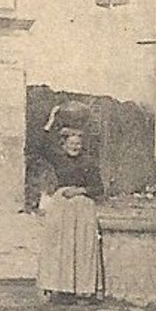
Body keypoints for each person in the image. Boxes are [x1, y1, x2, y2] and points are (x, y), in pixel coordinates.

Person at [37, 127, 104, 302]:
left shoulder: (89, 163)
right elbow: (41, 146)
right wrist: (49, 124)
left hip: (82, 207)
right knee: (60, 246)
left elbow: (99, 189)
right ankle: (61, 288)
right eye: (71, 143)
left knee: (81, 246)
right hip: (62, 208)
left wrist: (80, 190)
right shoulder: (58, 160)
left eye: (78, 144)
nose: (75, 147)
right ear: (64, 144)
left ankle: (82, 289)